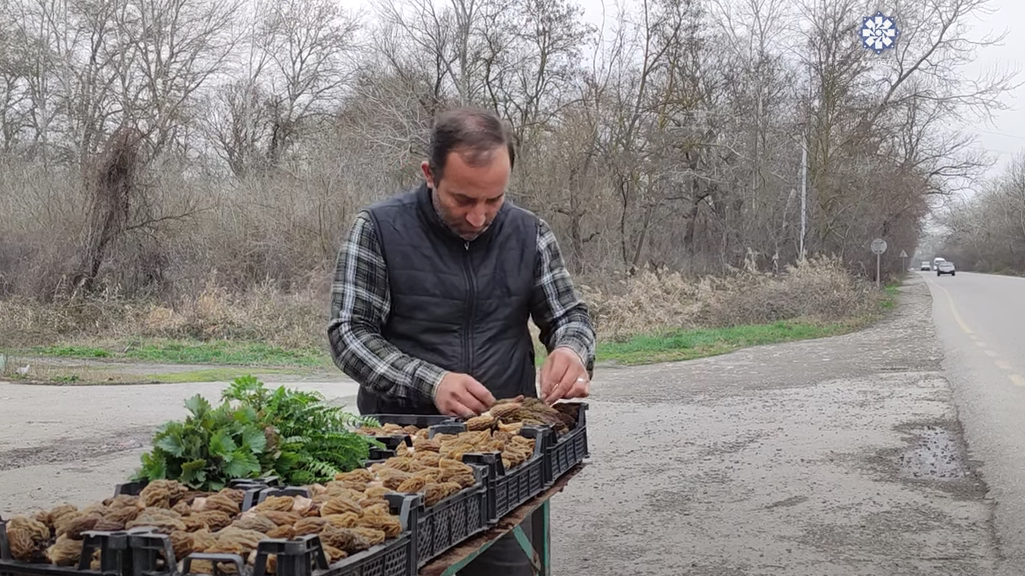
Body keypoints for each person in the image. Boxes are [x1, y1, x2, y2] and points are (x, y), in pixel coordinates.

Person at [327, 106, 595, 575]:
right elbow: (350, 334)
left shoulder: (529, 233)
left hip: (503, 458)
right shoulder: (377, 229)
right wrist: (430, 381)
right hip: (403, 456)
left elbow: (569, 314)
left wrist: (571, 350)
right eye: (463, 199)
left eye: (494, 200)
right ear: (429, 174)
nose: (478, 217)